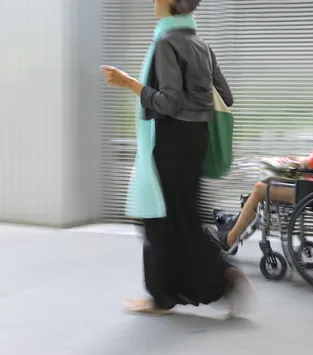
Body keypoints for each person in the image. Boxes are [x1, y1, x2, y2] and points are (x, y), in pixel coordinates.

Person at [100, 0, 252, 316]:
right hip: (196, 141)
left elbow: (168, 102)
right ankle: (219, 278)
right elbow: (227, 96)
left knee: (159, 222)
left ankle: (167, 295)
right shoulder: (201, 44)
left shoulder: (166, 43)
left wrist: (129, 83)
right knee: (184, 219)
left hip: (171, 141)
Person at [207, 69, 313, 253]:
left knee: (261, 188)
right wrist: (293, 160)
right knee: (271, 179)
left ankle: (229, 239)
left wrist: (290, 162)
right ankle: (232, 223)